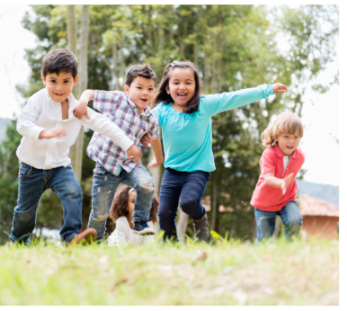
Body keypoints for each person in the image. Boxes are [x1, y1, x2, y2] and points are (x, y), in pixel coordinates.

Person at [9, 49, 142, 246]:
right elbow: (23, 123)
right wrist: (44, 133)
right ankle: (18, 241)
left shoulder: (77, 109)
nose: (59, 88)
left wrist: (128, 144)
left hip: (59, 166)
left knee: (73, 192)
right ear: (44, 78)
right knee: (25, 210)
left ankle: (71, 237)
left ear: (75, 80)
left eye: (66, 81)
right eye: (53, 81)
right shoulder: (38, 100)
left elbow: (104, 124)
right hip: (31, 167)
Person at [144, 60, 288, 242]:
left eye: (188, 82)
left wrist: (267, 89)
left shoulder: (205, 105)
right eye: (176, 82)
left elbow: (234, 97)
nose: (182, 87)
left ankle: (200, 218)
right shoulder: (161, 111)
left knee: (188, 202)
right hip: (172, 171)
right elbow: (143, 124)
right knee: (164, 213)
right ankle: (172, 247)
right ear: (167, 88)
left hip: (198, 170)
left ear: (196, 87)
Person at [73, 64, 163, 240]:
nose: (145, 93)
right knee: (100, 213)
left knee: (147, 184)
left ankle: (140, 220)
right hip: (106, 166)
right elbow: (90, 93)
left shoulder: (150, 119)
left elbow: (155, 140)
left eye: (150, 89)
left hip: (129, 165)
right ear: (127, 89)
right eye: (139, 88)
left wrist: (158, 159)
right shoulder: (118, 100)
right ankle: (94, 242)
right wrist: (83, 102)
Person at [250, 112, 304, 242]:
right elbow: (268, 178)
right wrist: (281, 183)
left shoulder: (300, 156)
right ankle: (262, 259)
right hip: (265, 202)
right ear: (276, 137)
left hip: (287, 199)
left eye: (296, 137)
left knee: (295, 222)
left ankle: (288, 250)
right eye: (286, 136)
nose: (292, 141)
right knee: (264, 239)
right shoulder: (269, 154)